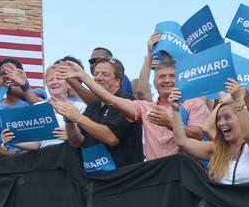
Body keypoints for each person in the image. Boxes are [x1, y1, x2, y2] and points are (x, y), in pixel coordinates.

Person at [58, 55, 209, 161]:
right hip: (155, 175)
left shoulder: (194, 104)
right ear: (155, 84)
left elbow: (197, 135)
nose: (167, 80)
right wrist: (84, 78)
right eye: (162, 77)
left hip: (186, 174)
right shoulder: (146, 108)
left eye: (172, 76)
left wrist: (170, 123)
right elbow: (112, 100)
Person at [170, 79, 249, 184]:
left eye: (227, 117)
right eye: (219, 119)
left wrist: (238, 100)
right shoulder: (216, 149)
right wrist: (176, 109)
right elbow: (182, 141)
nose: (221, 123)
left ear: (240, 118)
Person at [51, 57, 144, 167]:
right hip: (95, 177)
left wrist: (79, 118)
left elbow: (111, 138)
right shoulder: (93, 106)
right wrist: (69, 120)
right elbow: (77, 141)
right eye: (96, 74)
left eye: (105, 74)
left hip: (122, 177)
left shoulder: (126, 102)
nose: (98, 78)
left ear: (118, 81)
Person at [0, 64, 86, 150]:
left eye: (59, 78)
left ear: (68, 84)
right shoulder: (39, 107)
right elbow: (36, 144)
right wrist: (12, 141)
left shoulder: (81, 106)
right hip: (46, 158)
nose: (54, 82)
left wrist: (70, 136)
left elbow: (87, 138)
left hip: (71, 156)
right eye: (50, 80)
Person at [0, 58, 47, 159]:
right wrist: (20, 156)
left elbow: (35, 100)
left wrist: (8, 87)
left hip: (44, 157)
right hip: (17, 165)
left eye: (12, 72)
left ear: (21, 74)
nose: (8, 76)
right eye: (4, 73)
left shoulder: (37, 93)